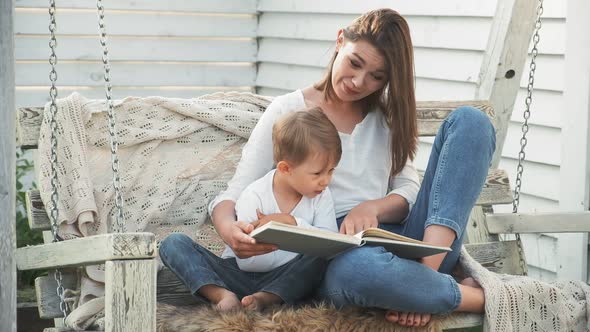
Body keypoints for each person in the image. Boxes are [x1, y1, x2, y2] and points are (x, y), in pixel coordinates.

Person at [204, 8, 495, 328]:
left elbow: (409, 189)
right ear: (340, 40)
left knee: (472, 122)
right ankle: (467, 296)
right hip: (334, 258)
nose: (359, 82)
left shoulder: (387, 119)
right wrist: (230, 232)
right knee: (359, 269)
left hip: (416, 247)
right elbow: (235, 190)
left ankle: (424, 281)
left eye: (377, 76)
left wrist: (374, 207)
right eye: (355, 63)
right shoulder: (288, 110)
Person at [159, 107, 342, 311]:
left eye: (331, 170)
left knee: (319, 259)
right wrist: (290, 241)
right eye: (317, 173)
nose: (326, 180)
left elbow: (329, 244)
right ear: (285, 169)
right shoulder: (254, 195)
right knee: (173, 244)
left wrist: (292, 223)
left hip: (286, 277)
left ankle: (266, 298)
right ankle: (221, 295)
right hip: (236, 273)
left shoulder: (322, 195)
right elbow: (249, 263)